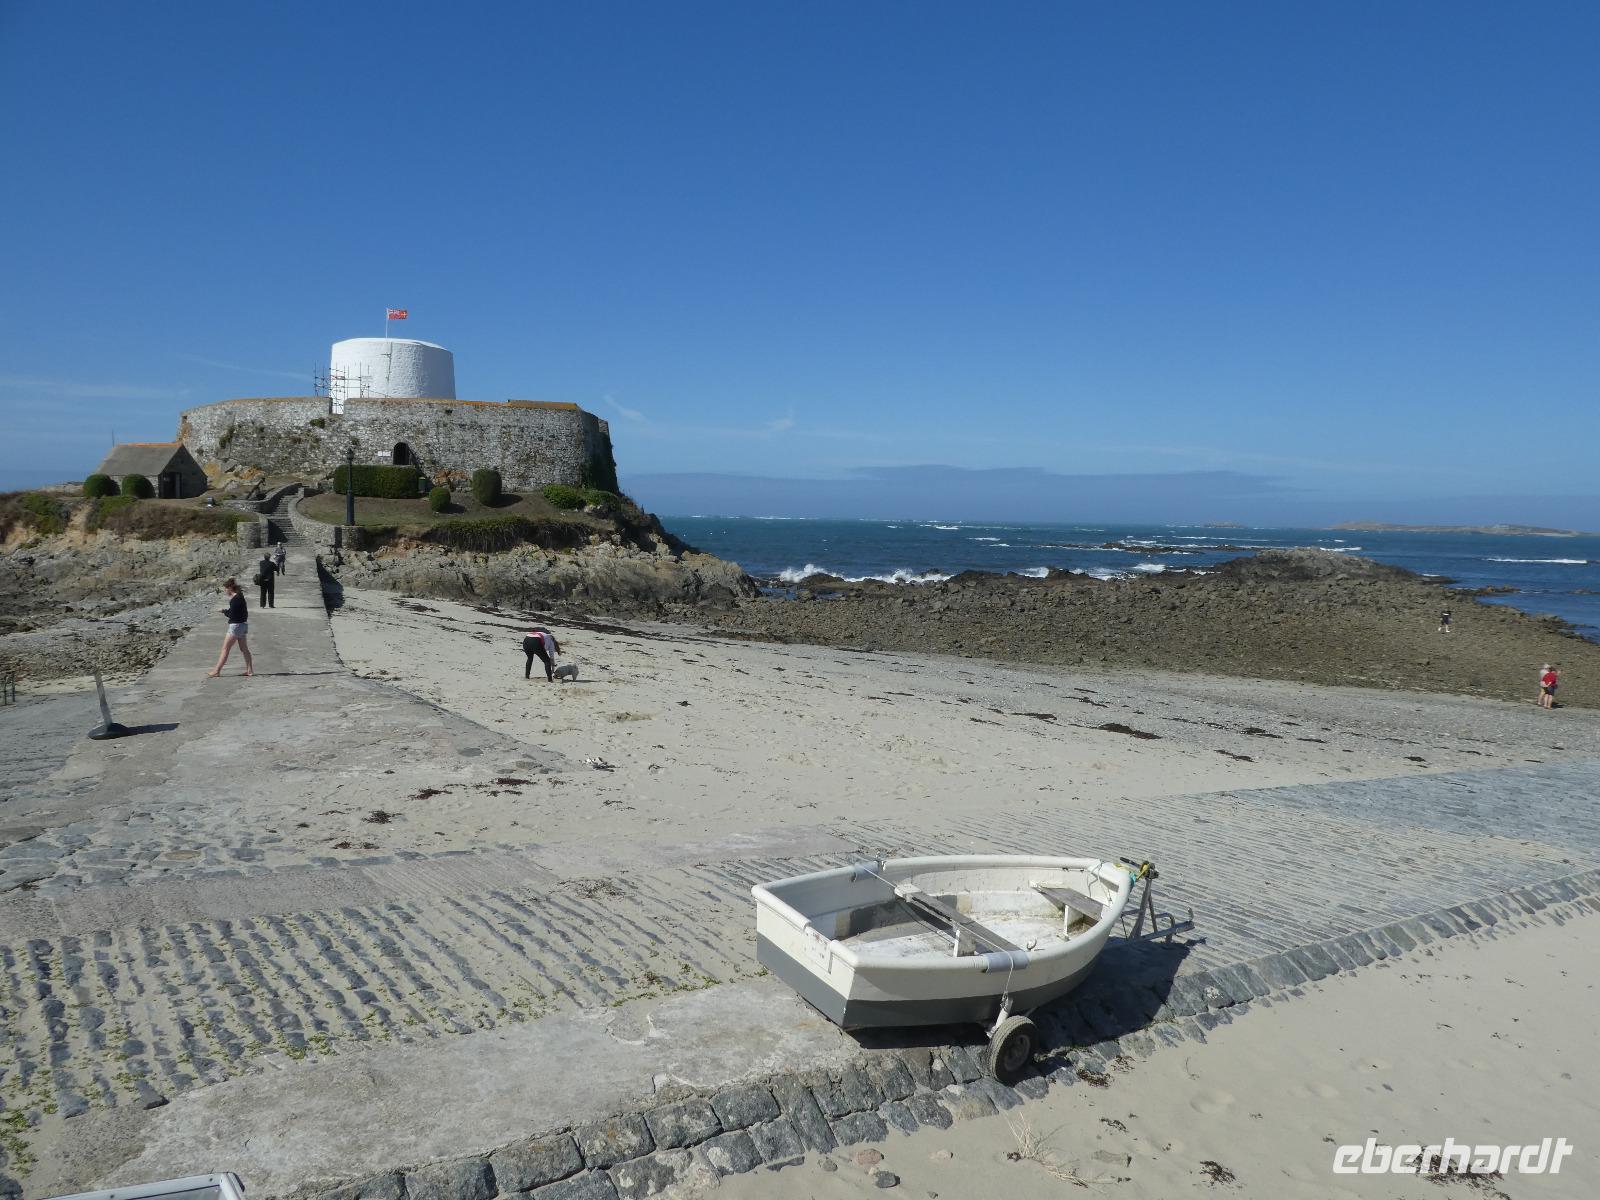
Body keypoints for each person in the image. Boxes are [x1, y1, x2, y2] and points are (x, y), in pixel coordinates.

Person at [207, 579, 254, 677]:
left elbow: (232, 615)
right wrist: (226, 610)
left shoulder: (235, 600)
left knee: (225, 649)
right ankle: (249, 670)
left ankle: (216, 671)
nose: (225, 591)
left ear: (229, 588)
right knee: (244, 649)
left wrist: (223, 611)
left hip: (236, 626)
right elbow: (236, 612)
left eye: (225, 588)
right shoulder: (240, 597)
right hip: (243, 625)